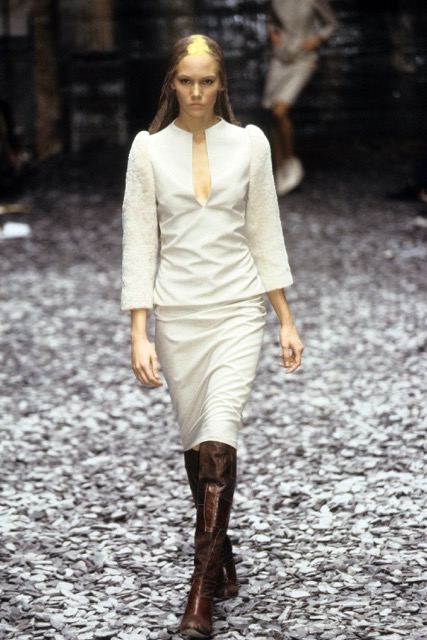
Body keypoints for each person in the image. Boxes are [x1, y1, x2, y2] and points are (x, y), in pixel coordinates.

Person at [121, 34, 303, 638]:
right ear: (171, 84)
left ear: (220, 82)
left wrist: (284, 318)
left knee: (221, 435)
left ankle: (198, 592)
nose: (196, 92)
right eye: (185, 81)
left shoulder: (250, 143)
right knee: (198, 447)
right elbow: (140, 243)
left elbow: (264, 232)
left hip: (237, 311)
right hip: (176, 315)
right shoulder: (148, 150)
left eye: (206, 81)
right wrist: (139, 332)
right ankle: (220, 557)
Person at [262, 0, 338, 195]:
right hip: (279, 58)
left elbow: (331, 23)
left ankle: (290, 162)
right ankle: (279, 170)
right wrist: (272, 33)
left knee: (280, 111)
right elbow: (269, 20)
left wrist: (316, 39)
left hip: (303, 59)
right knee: (273, 114)